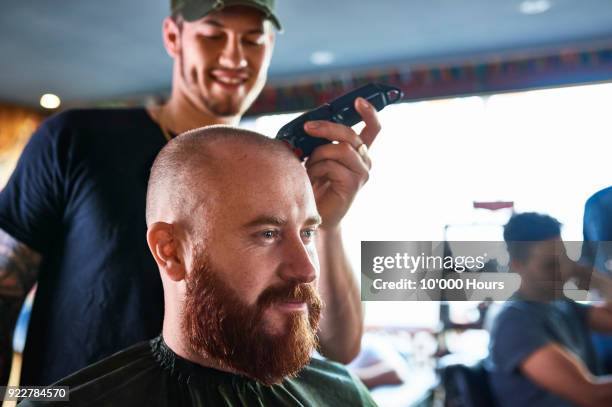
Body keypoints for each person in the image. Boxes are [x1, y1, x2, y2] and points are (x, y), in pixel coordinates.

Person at [0, 0, 380, 385]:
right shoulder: (76, 141)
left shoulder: (274, 176)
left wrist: (326, 225)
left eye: (252, 40)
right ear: (173, 36)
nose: (235, 57)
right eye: (214, 36)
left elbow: (338, 348)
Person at [19, 126, 378, 407]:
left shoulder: (342, 393)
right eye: (267, 234)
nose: (305, 270)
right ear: (171, 251)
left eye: (307, 232)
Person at [489, 212, 612, 407]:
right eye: (550, 265)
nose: (563, 273)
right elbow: (595, 396)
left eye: (564, 260)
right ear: (516, 266)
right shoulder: (514, 323)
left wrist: (596, 281)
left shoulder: (562, 305)